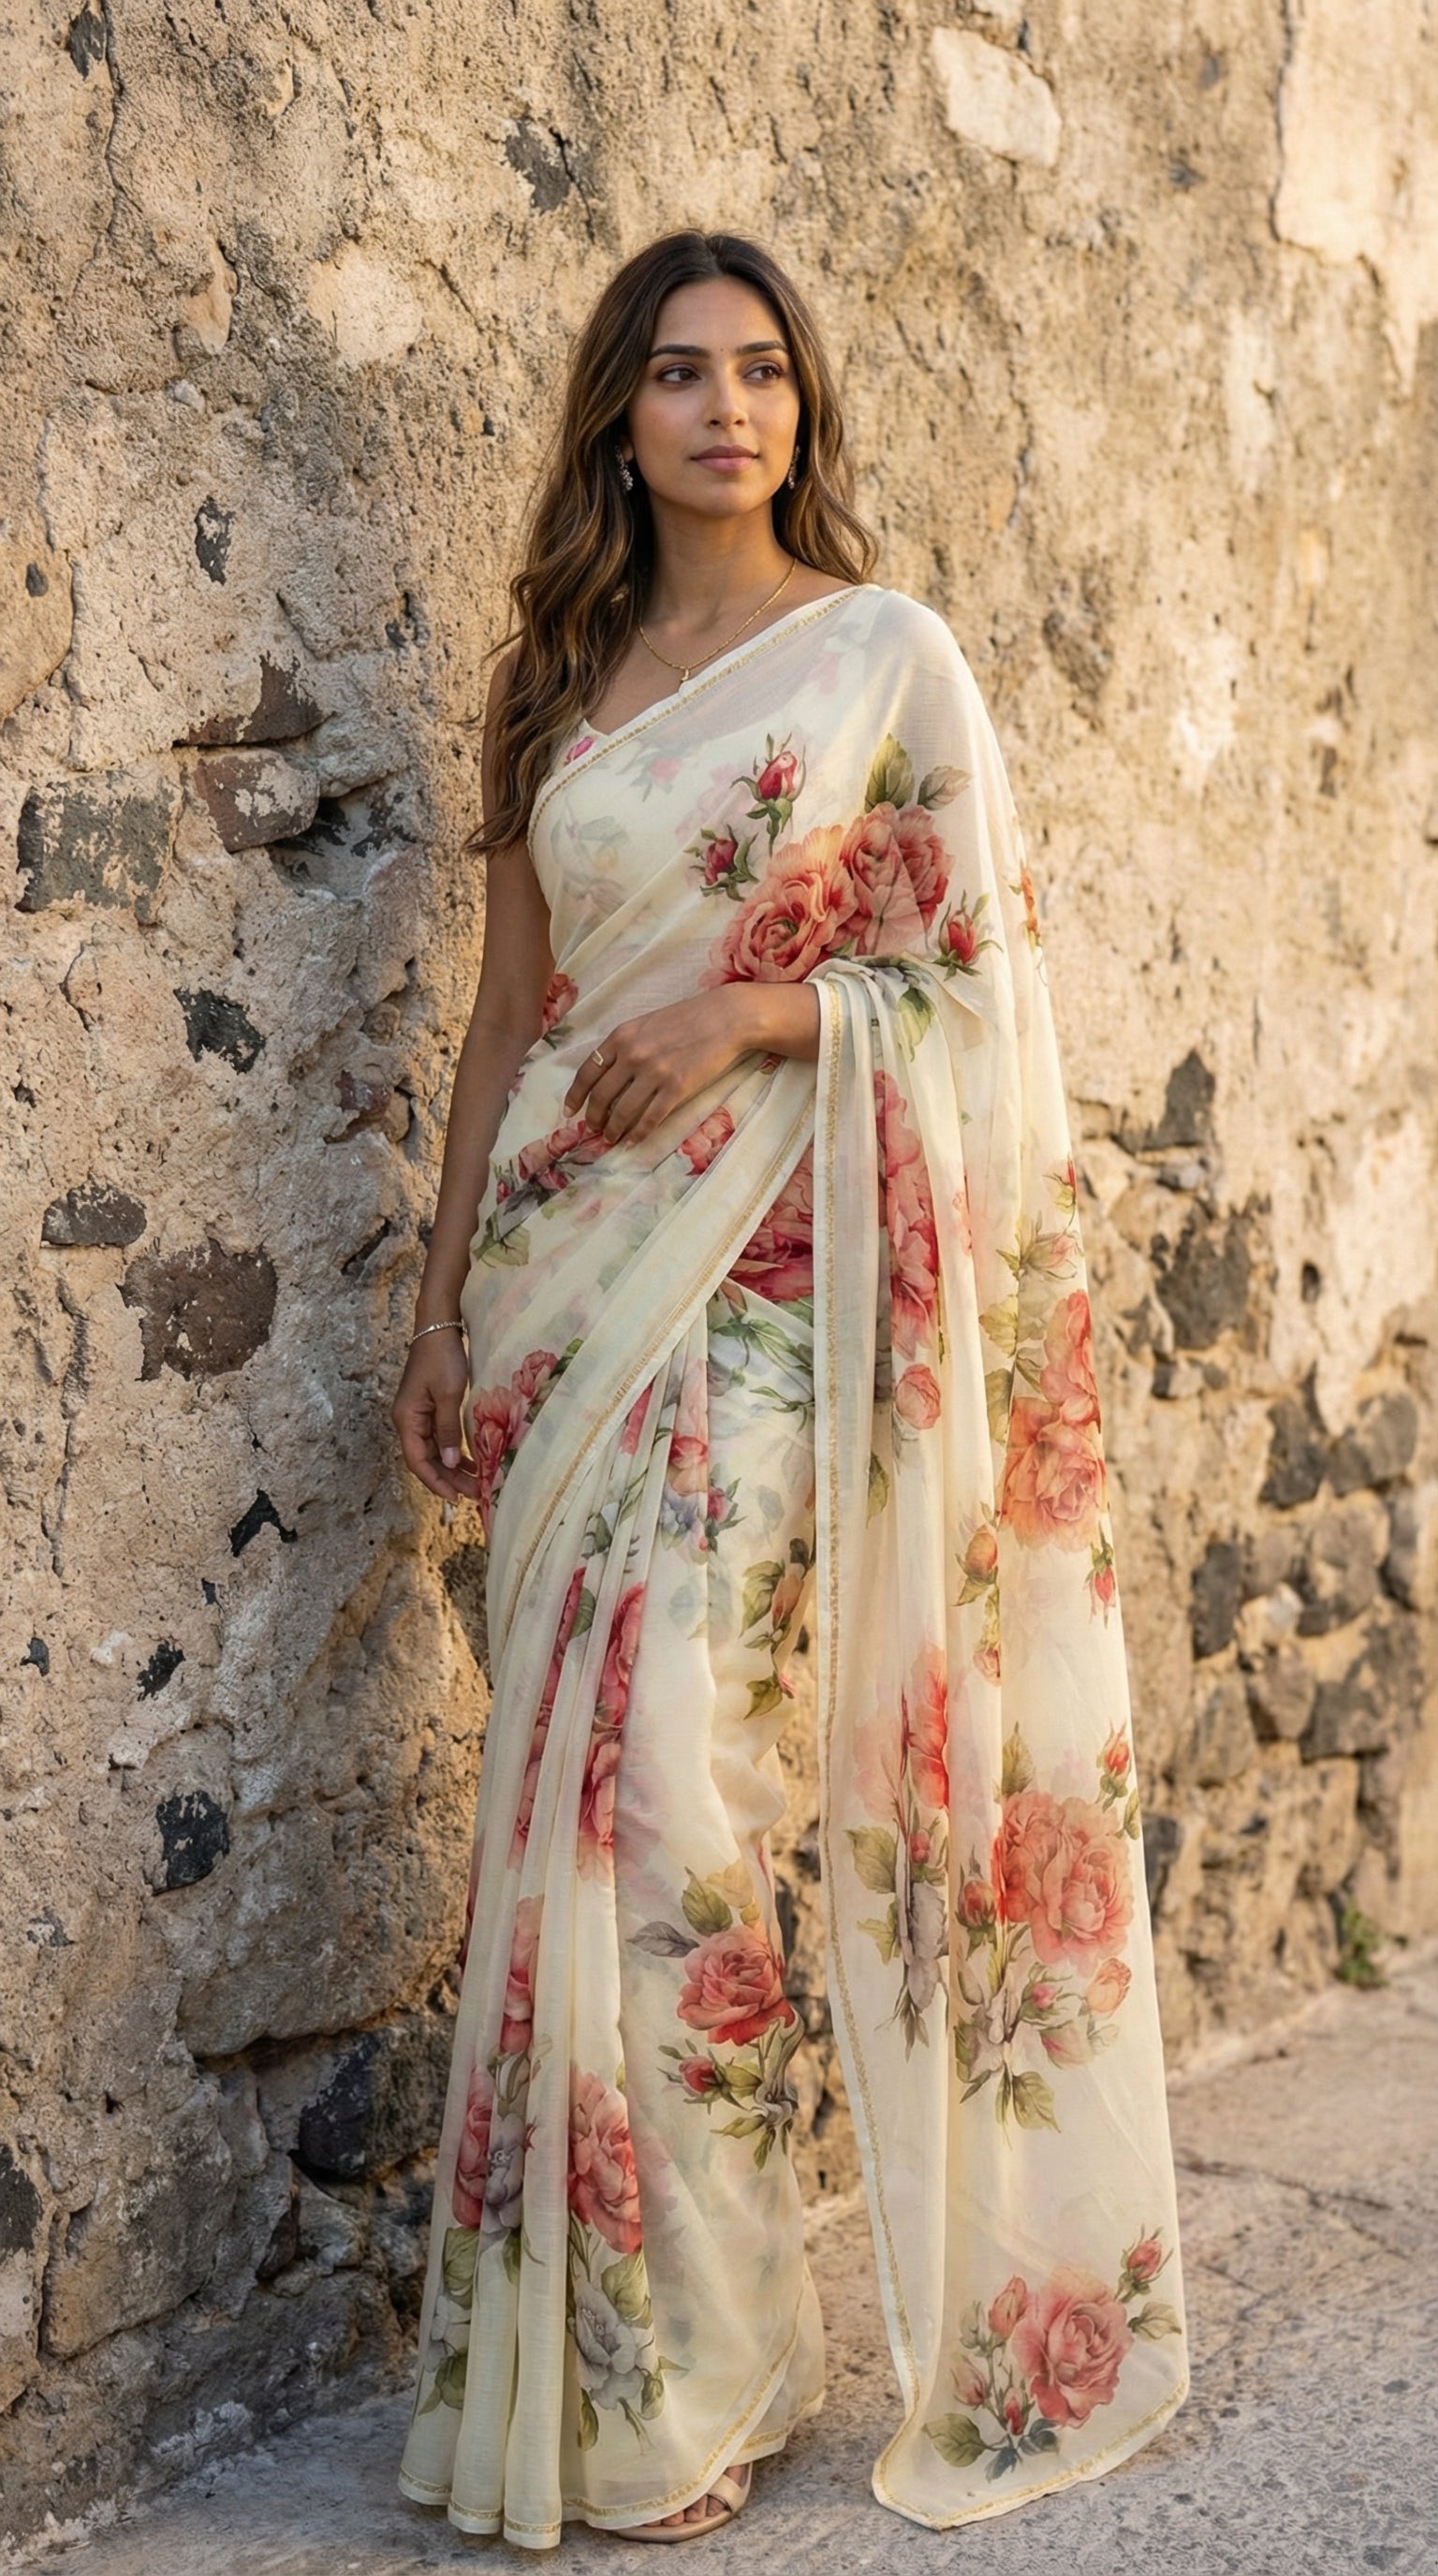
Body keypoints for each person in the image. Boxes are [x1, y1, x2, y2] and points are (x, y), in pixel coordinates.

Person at [391, 228, 1187, 2549]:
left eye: (758, 372)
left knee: (672, 1794)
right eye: (674, 374)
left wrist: (760, 1012)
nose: (724, 409)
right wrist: (439, 1308)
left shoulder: (882, 660)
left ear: (804, 408)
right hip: (563, 1293)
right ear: (618, 420)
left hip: (762, 1291)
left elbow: (981, 1001)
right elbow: (502, 1025)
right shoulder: (553, 686)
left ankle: (705, 2370)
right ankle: (614, 2379)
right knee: (563, 1817)